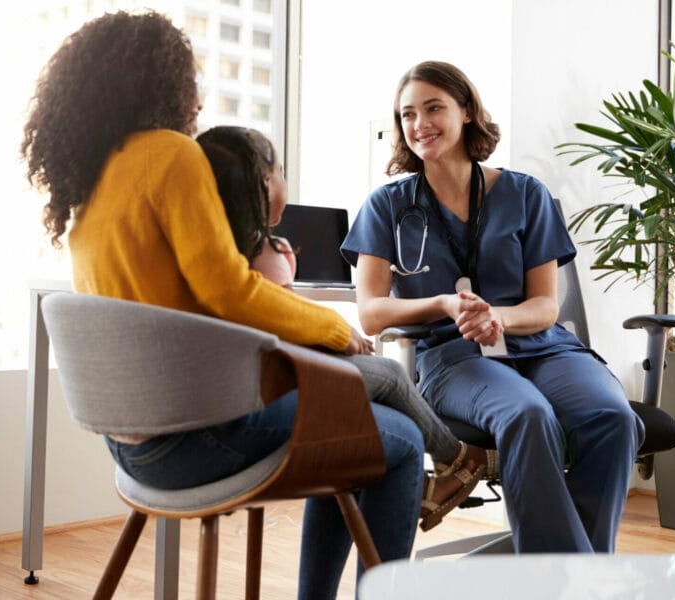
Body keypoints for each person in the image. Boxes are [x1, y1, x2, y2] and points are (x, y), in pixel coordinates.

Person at [22, 12, 410, 598]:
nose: (198, 98)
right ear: (160, 82)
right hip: (200, 436)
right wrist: (331, 327)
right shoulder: (172, 155)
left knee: (353, 424)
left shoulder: (91, 182)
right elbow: (226, 289)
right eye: (189, 80)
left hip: (133, 450)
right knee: (397, 442)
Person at [340, 60, 646, 553]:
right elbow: (372, 312)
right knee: (527, 415)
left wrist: (499, 317)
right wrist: (441, 303)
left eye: (434, 107)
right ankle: (570, 581)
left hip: (542, 347)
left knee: (613, 416)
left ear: (466, 111)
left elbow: (546, 305)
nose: (420, 124)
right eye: (407, 114)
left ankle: (571, 574)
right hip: (453, 358)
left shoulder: (526, 194)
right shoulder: (387, 205)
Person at [195, 125, 499, 531]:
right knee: (389, 375)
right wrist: (337, 334)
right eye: (282, 171)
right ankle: (459, 458)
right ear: (265, 182)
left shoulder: (203, 253)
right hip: (273, 384)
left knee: (373, 398)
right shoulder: (267, 254)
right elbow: (283, 323)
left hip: (242, 385)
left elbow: (279, 320)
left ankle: (451, 463)